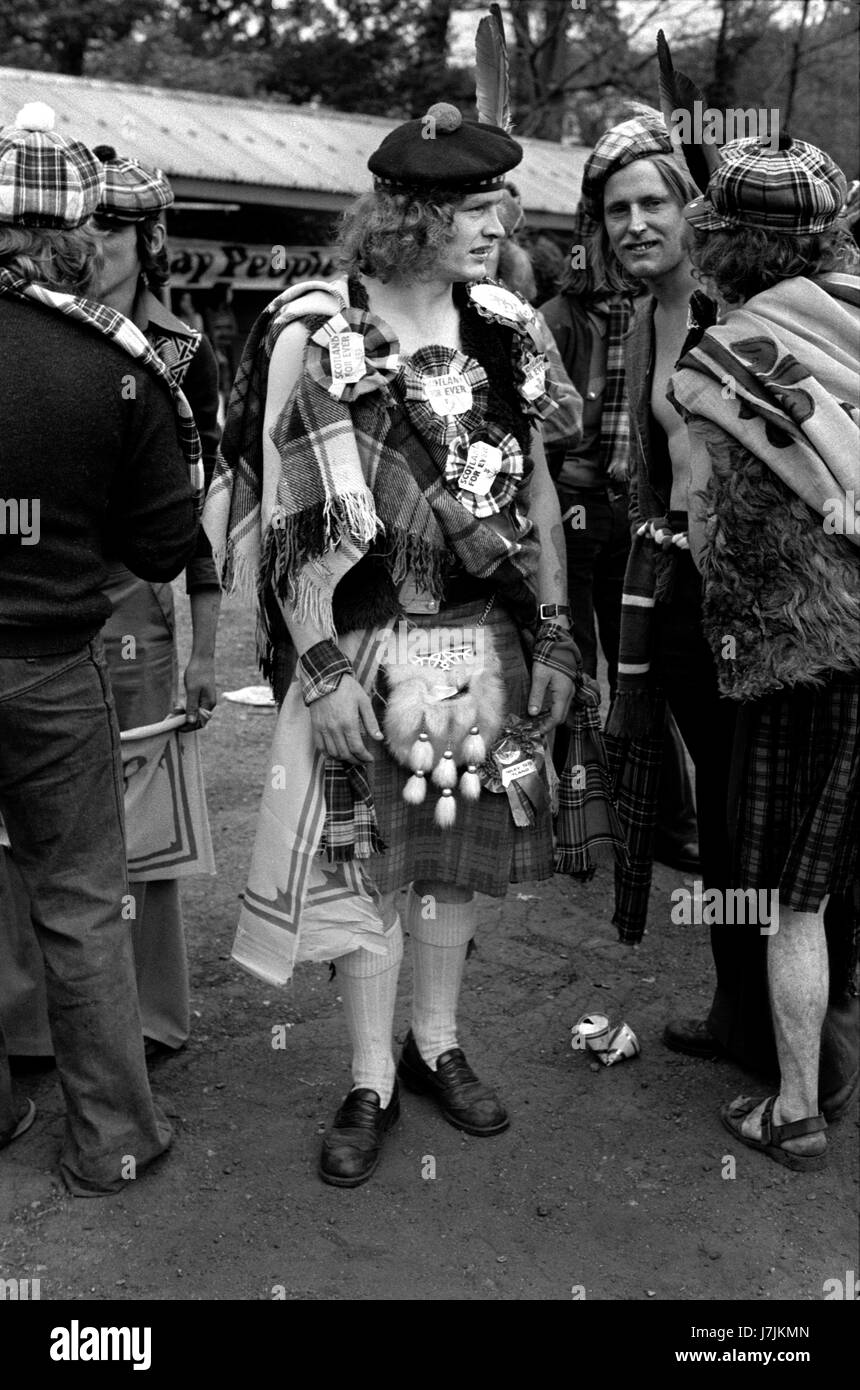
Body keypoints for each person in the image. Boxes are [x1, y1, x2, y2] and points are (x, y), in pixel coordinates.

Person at [204, 100, 579, 1187]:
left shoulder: (507, 330)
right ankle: (368, 1075)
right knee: (362, 861)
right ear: (405, 213)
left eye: (499, 201)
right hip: (360, 643)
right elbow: (292, 519)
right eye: (470, 205)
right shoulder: (331, 333)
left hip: (474, 640)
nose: (494, 220)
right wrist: (316, 666)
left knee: (447, 855)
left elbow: (544, 500)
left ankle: (436, 1044)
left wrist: (554, 635)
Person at [0, 103, 200, 1192]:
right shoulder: (114, 363)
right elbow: (166, 539)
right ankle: (114, 1136)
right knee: (80, 901)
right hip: (52, 667)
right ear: (82, 234)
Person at [671, 134, 860, 1167]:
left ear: (723, 241)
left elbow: (720, 535)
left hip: (802, 653)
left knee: (794, 896)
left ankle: (794, 1104)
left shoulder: (725, 358)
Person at [541, 126, 699, 867]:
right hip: (612, 532)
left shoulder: (716, 309)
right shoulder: (606, 315)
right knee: (592, 670)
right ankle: (594, 819)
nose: (634, 223)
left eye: (653, 203)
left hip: (691, 549)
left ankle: (668, 817)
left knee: (650, 677)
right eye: (615, 209)